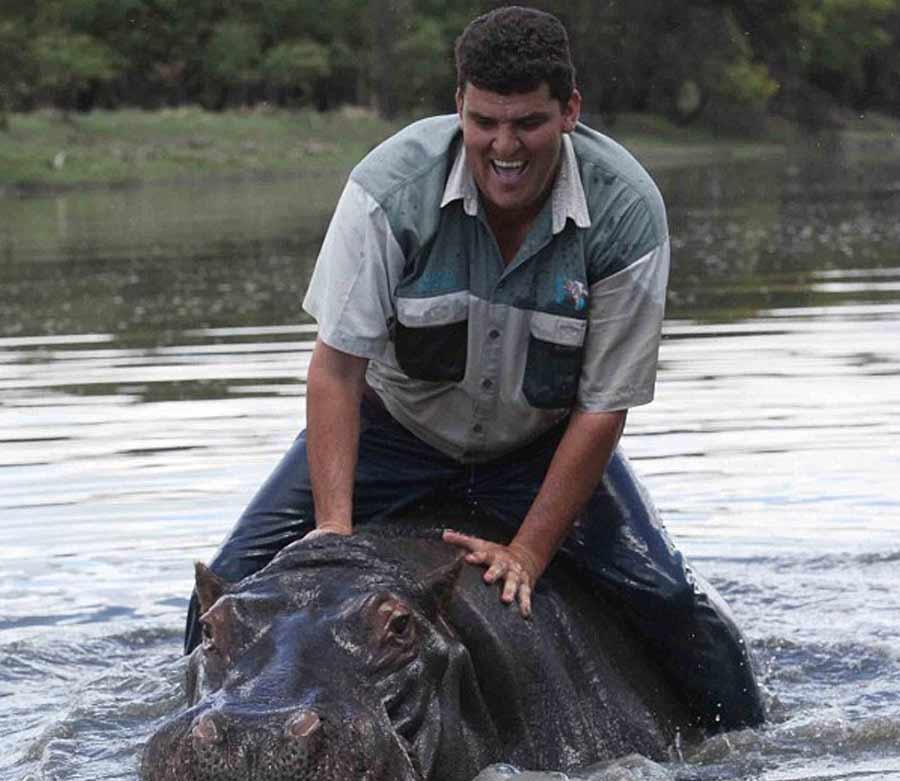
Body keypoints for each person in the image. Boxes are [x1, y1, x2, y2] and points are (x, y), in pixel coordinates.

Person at [183, 6, 763, 732]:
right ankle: (196, 733)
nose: (505, 145)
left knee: (675, 602)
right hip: (394, 434)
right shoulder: (388, 190)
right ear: (459, 105)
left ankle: (744, 748)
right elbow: (336, 371)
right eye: (485, 121)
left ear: (570, 113)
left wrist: (527, 551)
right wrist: (334, 529)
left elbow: (603, 407)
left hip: (539, 443)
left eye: (528, 122)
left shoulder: (627, 211)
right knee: (225, 587)